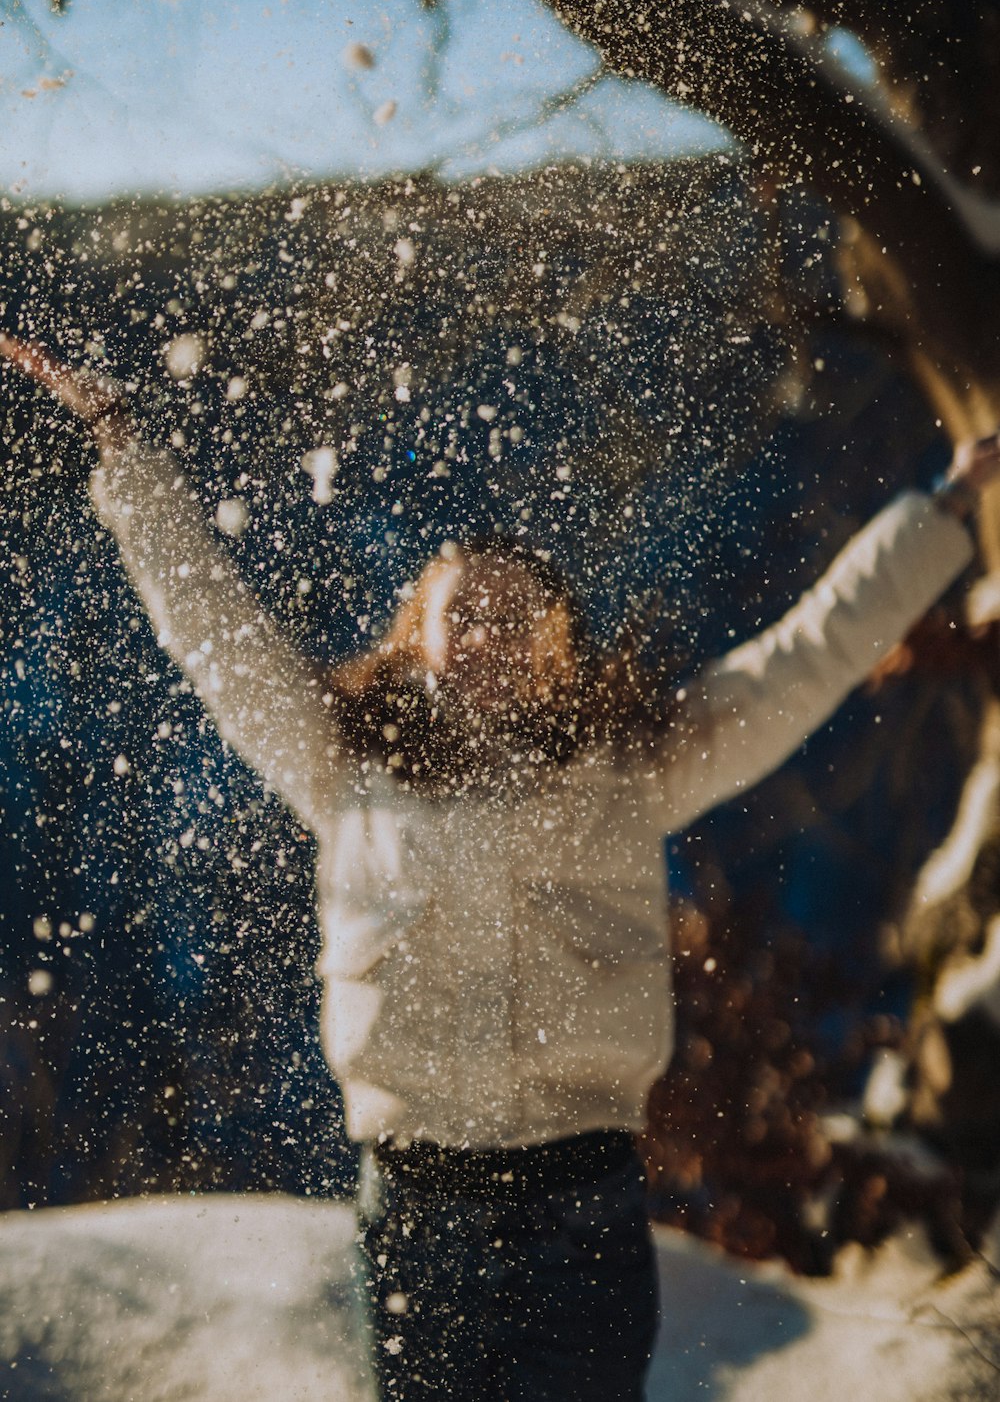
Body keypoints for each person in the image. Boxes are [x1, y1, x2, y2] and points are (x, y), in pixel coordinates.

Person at [2, 331, 996, 1401]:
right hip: (419, 1213)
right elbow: (214, 629)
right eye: (460, 612)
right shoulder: (340, 765)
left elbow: (805, 657)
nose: (489, 631)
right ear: (412, 636)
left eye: (518, 615)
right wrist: (123, 446)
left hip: (585, 1208)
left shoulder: (633, 767)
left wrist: (939, 518)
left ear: (560, 647)